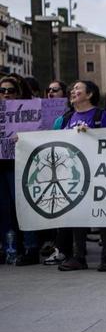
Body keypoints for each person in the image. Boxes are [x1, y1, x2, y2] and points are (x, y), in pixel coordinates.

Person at [54, 81, 106, 272]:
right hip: (74, 174)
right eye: (72, 90)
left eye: (77, 89)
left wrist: (91, 135)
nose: (73, 92)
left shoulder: (100, 116)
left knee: (104, 214)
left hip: (99, 173)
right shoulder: (66, 118)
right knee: (76, 214)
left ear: (89, 94)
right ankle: (78, 257)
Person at [0, 75, 40, 266]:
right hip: (1, 167)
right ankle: (10, 248)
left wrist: (23, 137)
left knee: (22, 207)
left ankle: (31, 247)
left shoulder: (27, 112)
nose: (6, 94)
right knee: (4, 210)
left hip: (19, 166)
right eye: (2, 90)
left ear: (17, 93)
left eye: (10, 90)